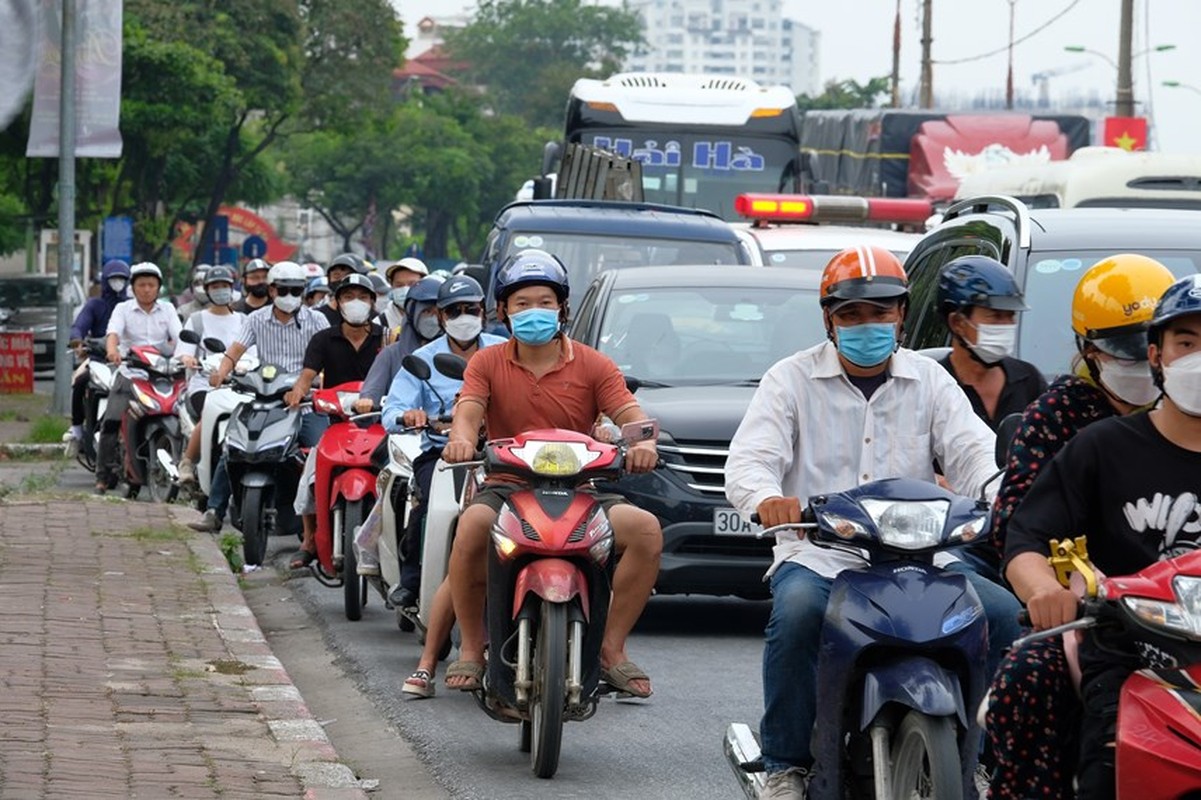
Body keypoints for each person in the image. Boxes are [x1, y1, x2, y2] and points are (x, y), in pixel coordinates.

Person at [723, 245, 1023, 799]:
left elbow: (975, 456)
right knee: (797, 613)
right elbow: (750, 461)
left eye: (881, 312)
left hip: (922, 556)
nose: (868, 324)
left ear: (902, 315)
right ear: (828, 319)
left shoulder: (930, 382)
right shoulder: (789, 380)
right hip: (822, 553)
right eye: (852, 314)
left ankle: (976, 758)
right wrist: (768, 498)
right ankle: (785, 764)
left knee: (1002, 614)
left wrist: (1005, 491)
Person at [1001, 271, 1201, 800]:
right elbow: (1025, 539)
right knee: (1104, 765)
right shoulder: (1100, 447)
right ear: (1156, 354)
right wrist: (1043, 590)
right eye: (1187, 342)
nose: (1199, 359)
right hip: (1129, 650)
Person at [441, 249, 662, 698]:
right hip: (508, 486)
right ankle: (470, 646)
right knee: (470, 528)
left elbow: (628, 412)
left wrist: (643, 443)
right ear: (502, 311)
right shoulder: (486, 362)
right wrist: (462, 438)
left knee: (645, 530)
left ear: (562, 307)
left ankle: (611, 649)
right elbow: (468, 410)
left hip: (581, 489)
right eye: (522, 304)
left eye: (545, 302)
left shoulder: (594, 363)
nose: (534, 312)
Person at [372, 274, 505, 699]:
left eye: (472, 310)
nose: (464, 319)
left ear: (485, 313)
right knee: (430, 505)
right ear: (439, 316)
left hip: (501, 457)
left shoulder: (504, 353)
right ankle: (414, 579)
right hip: (443, 455)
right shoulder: (423, 358)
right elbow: (391, 408)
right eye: (454, 312)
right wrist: (409, 416)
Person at [189, 261, 329, 538]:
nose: (290, 295)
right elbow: (235, 351)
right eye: (284, 289)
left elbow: (328, 360)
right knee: (232, 443)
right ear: (272, 289)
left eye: (296, 290)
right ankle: (215, 511)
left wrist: (316, 383)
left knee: (316, 453)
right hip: (264, 398)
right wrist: (221, 373)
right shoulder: (256, 319)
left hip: (305, 402)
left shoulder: (317, 320)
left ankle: (314, 528)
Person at [285, 273, 385, 569]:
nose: (356, 303)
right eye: (348, 297)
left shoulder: (387, 337)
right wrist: (297, 393)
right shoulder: (323, 338)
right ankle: (309, 539)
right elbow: (306, 377)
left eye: (363, 297)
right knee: (311, 473)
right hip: (336, 421)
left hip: (381, 421)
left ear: (373, 302)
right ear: (338, 303)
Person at [97, 262, 182, 494]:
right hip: (130, 373)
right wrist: (112, 350)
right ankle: (103, 476)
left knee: (181, 413)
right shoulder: (123, 309)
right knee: (112, 421)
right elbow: (112, 333)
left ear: (158, 288)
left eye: (151, 285)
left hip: (162, 373)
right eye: (142, 284)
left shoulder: (168, 310)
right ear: (133, 288)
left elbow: (180, 337)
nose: (147, 289)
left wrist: (186, 356)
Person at [935, 255, 1047, 431]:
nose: (1006, 325)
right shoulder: (933, 386)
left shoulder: (1029, 381)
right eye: (995, 316)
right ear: (957, 323)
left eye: (1010, 316)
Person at [174, 266, 247, 486]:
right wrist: (188, 359)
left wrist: (243, 365)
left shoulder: (244, 320)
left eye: (224, 286)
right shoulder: (197, 320)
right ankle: (187, 461)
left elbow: (253, 353)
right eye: (215, 287)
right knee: (211, 413)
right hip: (203, 385)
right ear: (207, 290)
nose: (220, 290)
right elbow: (184, 350)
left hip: (237, 386)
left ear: (232, 288)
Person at [354, 274, 447, 413]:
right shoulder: (391, 354)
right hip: (401, 430)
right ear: (412, 314)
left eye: (437, 313)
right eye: (426, 312)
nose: (433, 319)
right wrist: (366, 401)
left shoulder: (455, 353)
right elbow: (371, 391)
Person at [66, 259, 130, 453]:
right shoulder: (95, 305)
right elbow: (79, 326)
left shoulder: (130, 306)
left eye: (122, 279)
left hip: (126, 361)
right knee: (80, 381)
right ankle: (77, 428)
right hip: (98, 360)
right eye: (113, 279)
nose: (117, 283)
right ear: (105, 281)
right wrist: (78, 341)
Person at [378, 257, 429, 338]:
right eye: (399, 285)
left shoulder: (434, 320)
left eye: (412, 284)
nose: (405, 289)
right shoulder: (380, 323)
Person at [317, 253, 371, 326]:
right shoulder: (317, 316)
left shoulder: (371, 314)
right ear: (328, 279)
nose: (342, 280)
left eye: (347, 276)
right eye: (336, 276)